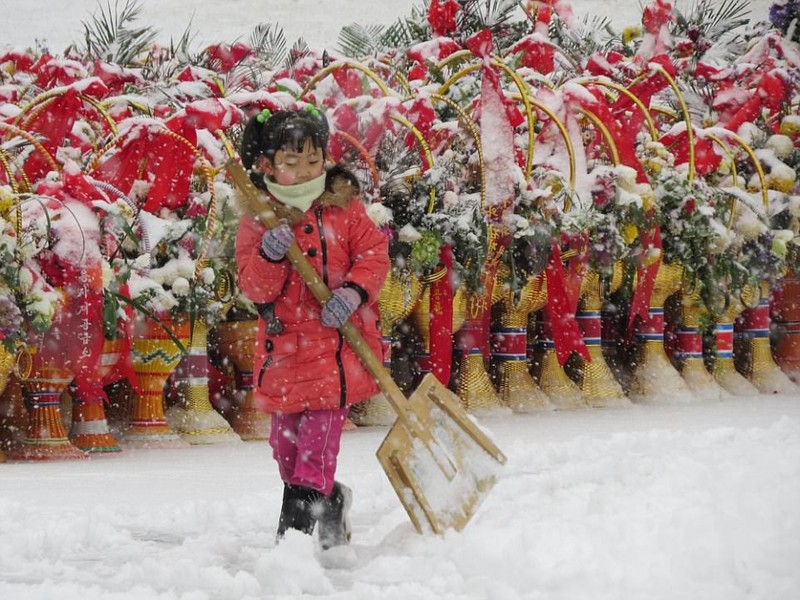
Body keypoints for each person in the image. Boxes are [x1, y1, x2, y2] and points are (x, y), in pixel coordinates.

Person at [235, 107, 390, 549]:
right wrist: (269, 256)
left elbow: (374, 254)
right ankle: (332, 499)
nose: (305, 171)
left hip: (334, 353)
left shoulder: (344, 209)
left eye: (312, 160)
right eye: (291, 161)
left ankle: (294, 542)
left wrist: (353, 293)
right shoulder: (258, 218)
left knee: (315, 451)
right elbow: (255, 288)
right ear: (267, 165)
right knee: (286, 452)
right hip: (284, 354)